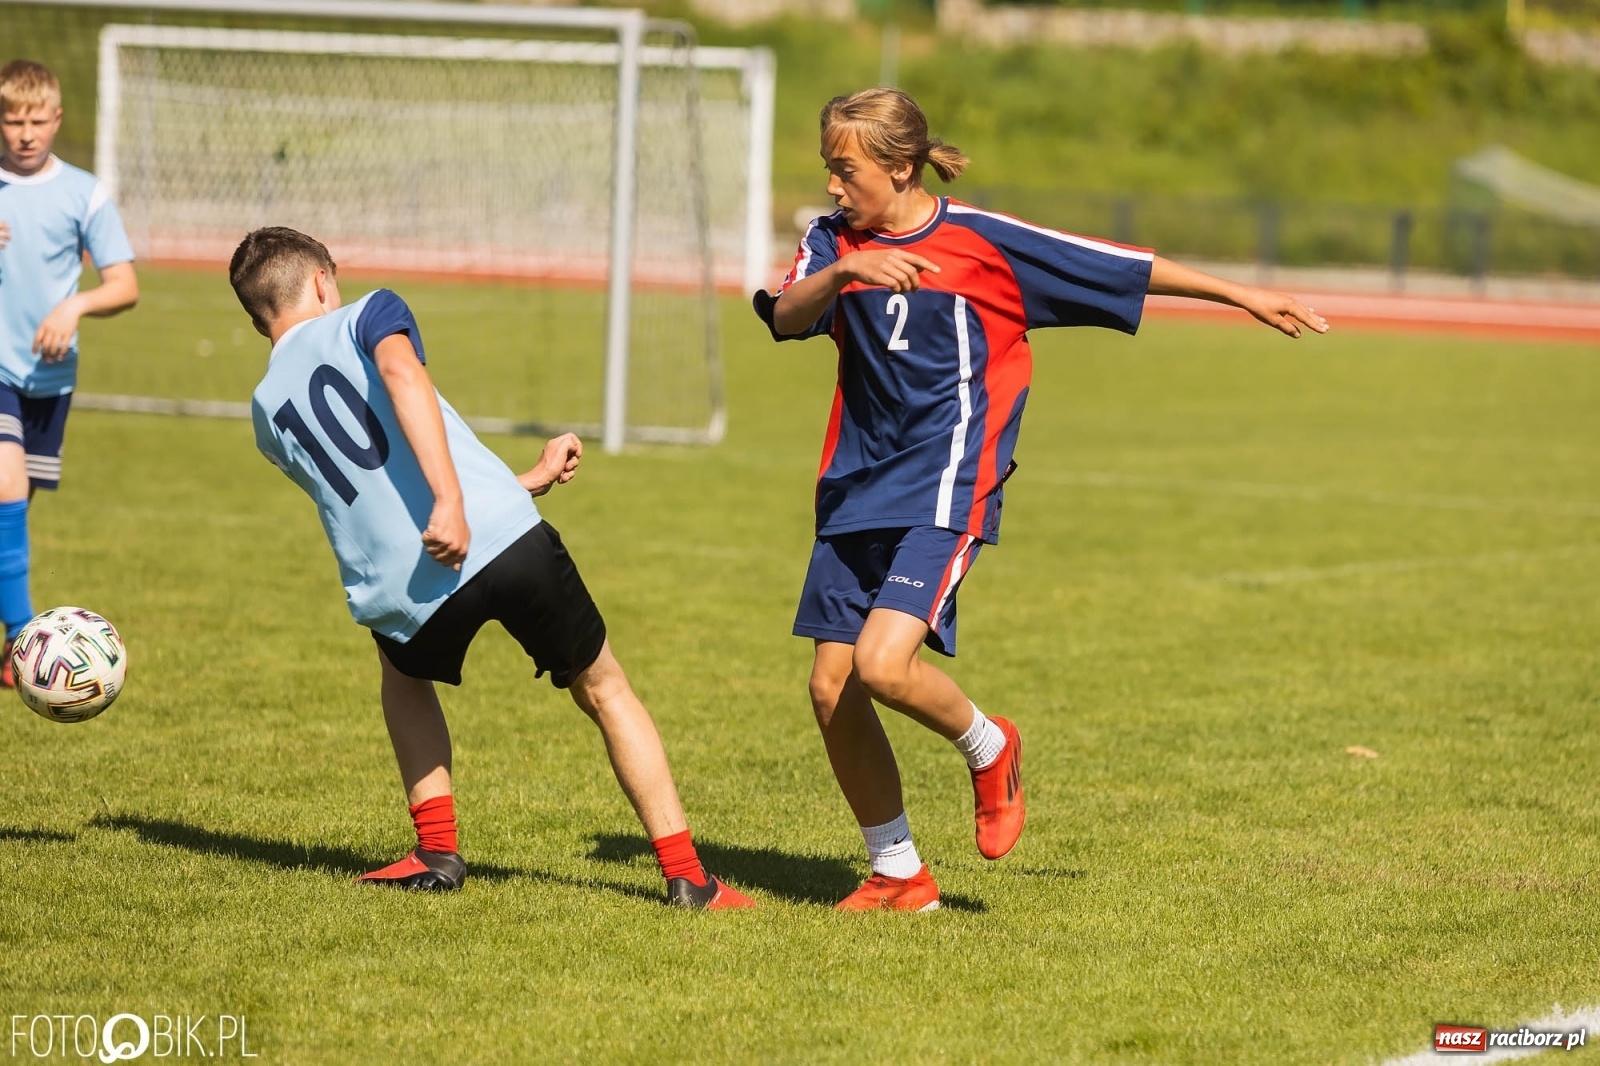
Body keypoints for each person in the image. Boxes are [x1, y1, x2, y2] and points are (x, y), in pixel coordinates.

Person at [754, 88, 1328, 912]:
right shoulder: (828, 240)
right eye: (829, 171)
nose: (835, 187)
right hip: (854, 489)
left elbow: (1126, 265)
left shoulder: (986, 242)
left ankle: (991, 747)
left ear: (901, 166)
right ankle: (899, 874)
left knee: (883, 666)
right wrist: (846, 268)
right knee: (830, 687)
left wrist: (1244, 294)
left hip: (946, 485)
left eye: (847, 170)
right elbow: (781, 318)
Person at [230, 226, 753, 909]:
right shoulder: (370, 312)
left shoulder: (265, 413)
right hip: (497, 538)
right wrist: (454, 499)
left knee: (402, 676)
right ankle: (688, 877)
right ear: (324, 282)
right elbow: (401, 376)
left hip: (404, 582)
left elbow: (377, 485)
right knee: (604, 688)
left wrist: (521, 480)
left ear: (255, 318)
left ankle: (436, 851)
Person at [0, 60, 138, 684]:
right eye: (12, 120)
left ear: (57, 118)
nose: (24, 133)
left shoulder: (84, 192)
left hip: (50, 378)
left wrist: (75, 303)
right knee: (4, 491)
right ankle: (22, 641)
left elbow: (124, 285)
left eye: (36, 120)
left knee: (12, 512)